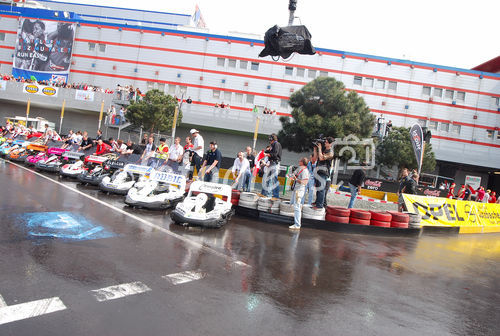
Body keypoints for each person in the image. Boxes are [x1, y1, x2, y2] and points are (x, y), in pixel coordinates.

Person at [312, 137, 334, 209]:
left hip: (324, 172)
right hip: (319, 170)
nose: (324, 143)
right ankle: (317, 202)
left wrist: (320, 148)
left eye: (326, 142)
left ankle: (319, 205)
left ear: (330, 144)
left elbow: (321, 158)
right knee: (318, 188)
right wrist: (315, 148)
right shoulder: (324, 150)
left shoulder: (331, 152)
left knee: (321, 189)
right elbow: (316, 158)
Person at [288, 157, 310, 230]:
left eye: (300, 160)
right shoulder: (300, 168)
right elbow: (292, 175)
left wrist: (296, 179)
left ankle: (297, 224)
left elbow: (305, 182)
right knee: (294, 205)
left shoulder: (304, 171)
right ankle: (296, 223)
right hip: (296, 189)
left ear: (302, 162)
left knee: (297, 207)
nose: (298, 161)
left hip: (299, 190)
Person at [262, 134, 282, 199]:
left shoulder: (276, 144)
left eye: (270, 139)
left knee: (274, 179)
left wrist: (267, 154)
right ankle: (266, 193)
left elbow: (275, 154)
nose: (269, 141)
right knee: (267, 178)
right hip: (271, 162)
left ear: (272, 139)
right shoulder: (273, 145)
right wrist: (263, 152)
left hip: (275, 163)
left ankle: (276, 195)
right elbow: (269, 151)